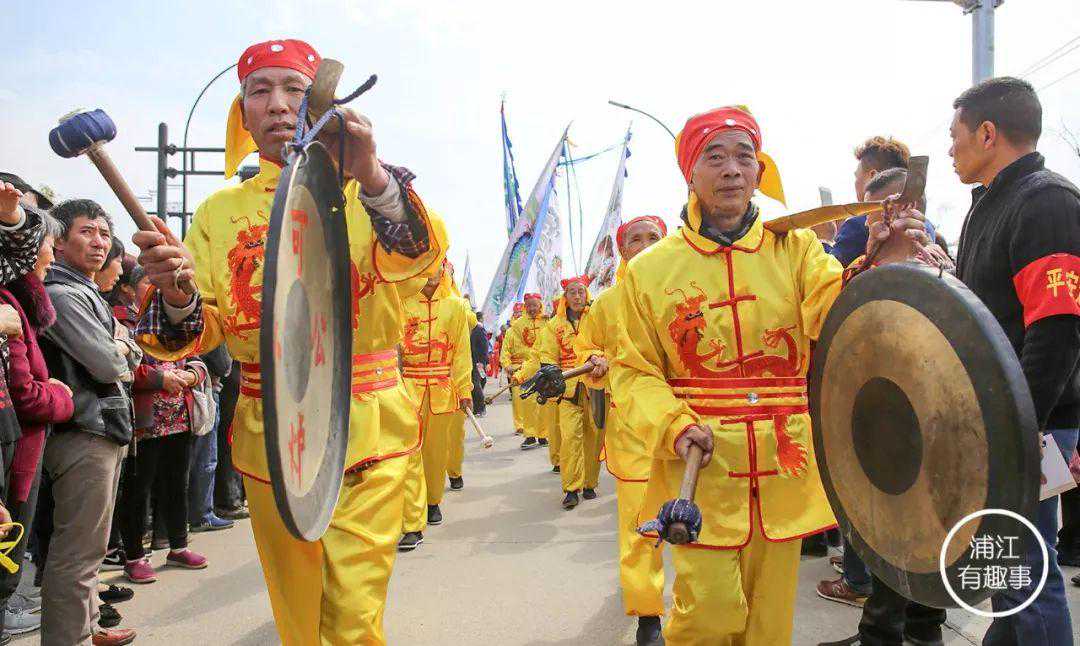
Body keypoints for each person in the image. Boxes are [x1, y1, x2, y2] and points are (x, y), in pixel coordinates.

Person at [132, 39, 446, 645]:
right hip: (272, 434)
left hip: (369, 428)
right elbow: (202, 328)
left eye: (294, 89)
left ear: (323, 104)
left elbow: (419, 254)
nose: (277, 105)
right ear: (242, 114)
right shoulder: (220, 213)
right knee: (299, 616)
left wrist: (371, 173)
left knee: (355, 615)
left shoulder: (369, 190)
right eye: (260, 91)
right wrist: (175, 294)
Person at [610, 106, 927, 645]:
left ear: (759, 171)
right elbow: (633, 371)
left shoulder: (798, 249)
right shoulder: (648, 272)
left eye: (744, 157)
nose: (732, 169)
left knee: (769, 626)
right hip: (700, 467)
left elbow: (840, 318)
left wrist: (882, 259)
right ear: (691, 172)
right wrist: (673, 425)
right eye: (715, 157)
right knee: (707, 616)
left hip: (784, 464)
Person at [948, 77, 1079, 646]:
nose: (951, 149)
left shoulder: (1045, 201)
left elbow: (1055, 330)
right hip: (1001, 418)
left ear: (988, 132)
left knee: (1028, 566)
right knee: (1007, 565)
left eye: (956, 137)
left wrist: (1019, 429)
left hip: (1035, 422)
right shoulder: (989, 206)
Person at [40, 199, 141, 646]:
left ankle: (87, 628)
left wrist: (124, 348)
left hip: (101, 428)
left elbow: (127, 355)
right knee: (76, 552)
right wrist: (122, 346)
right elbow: (108, 363)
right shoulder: (63, 294)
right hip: (83, 433)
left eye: (103, 233)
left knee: (89, 548)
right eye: (86, 232)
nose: (98, 242)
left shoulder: (83, 291)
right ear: (59, 241)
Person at [575, 214, 668, 645]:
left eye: (655, 237)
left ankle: (694, 608)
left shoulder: (689, 288)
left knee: (695, 523)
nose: (646, 244)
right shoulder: (607, 303)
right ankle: (649, 614)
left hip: (692, 428)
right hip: (633, 430)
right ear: (623, 249)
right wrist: (594, 360)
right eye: (637, 239)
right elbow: (588, 345)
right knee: (641, 524)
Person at [0, 192, 73, 642]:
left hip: (10, 431)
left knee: (10, 532)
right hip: (17, 425)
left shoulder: (15, 298)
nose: (45, 251)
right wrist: (60, 397)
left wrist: (13, 217)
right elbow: (29, 393)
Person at [398, 259, 473, 551]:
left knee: (435, 453)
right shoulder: (403, 303)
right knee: (408, 454)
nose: (432, 275)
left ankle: (432, 501)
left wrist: (464, 388)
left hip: (442, 389)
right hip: (408, 388)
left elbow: (462, 352)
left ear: (444, 272)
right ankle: (412, 522)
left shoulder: (454, 306)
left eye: (437, 269)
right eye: (426, 269)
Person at [519, 276, 599, 509]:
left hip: (595, 386)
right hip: (568, 389)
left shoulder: (597, 319)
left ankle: (590, 483)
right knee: (570, 438)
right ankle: (571, 488)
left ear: (587, 295)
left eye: (581, 292)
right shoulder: (554, 325)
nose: (577, 297)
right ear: (565, 297)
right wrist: (550, 375)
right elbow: (547, 355)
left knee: (593, 438)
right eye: (572, 292)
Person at [188, 344, 234, 532]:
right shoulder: (209, 318)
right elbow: (222, 364)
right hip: (204, 391)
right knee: (205, 458)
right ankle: (202, 515)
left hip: (189, 390)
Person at [503, 294, 549, 449]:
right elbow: (506, 349)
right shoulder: (517, 325)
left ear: (540, 305)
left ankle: (543, 435)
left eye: (534, 305)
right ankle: (529, 435)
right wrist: (507, 365)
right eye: (528, 305)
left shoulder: (548, 322)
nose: (532, 309)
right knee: (527, 402)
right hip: (525, 368)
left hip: (544, 367)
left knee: (544, 402)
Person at [470, 311, 490, 417]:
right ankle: (474, 408)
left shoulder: (479, 329)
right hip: (468, 361)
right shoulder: (465, 328)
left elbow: (484, 347)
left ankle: (480, 408)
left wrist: (483, 362)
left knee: (476, 384)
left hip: (477, 361)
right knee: (471, 385)